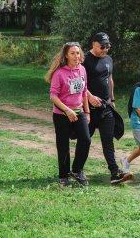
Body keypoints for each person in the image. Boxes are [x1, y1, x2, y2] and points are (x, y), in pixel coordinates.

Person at [83, 32, 133, 184]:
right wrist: (89, 97)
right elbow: (80, 82)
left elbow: (109, 79)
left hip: (106, 108)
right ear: (93, 44)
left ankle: (115, 172)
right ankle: (78, 170)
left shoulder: (109, 59)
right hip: (89, 110)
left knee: (108, 141)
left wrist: (112, 99)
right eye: (102, 46)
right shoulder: (84, 60)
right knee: (85, 140)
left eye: (108, 46)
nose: (105, 49)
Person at [45, 42, 91, 187]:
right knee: (63, 145)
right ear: (66, 55)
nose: (76, 56)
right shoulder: (59, 73)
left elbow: (84, 92)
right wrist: (67, 110)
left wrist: (87, 111)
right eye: (72, 53)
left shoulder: (82, 70)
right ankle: (63, 176)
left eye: (78, 53)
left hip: (79, 111)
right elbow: (53, 96)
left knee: (86, 140)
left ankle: (77, 170)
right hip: (61, 114)